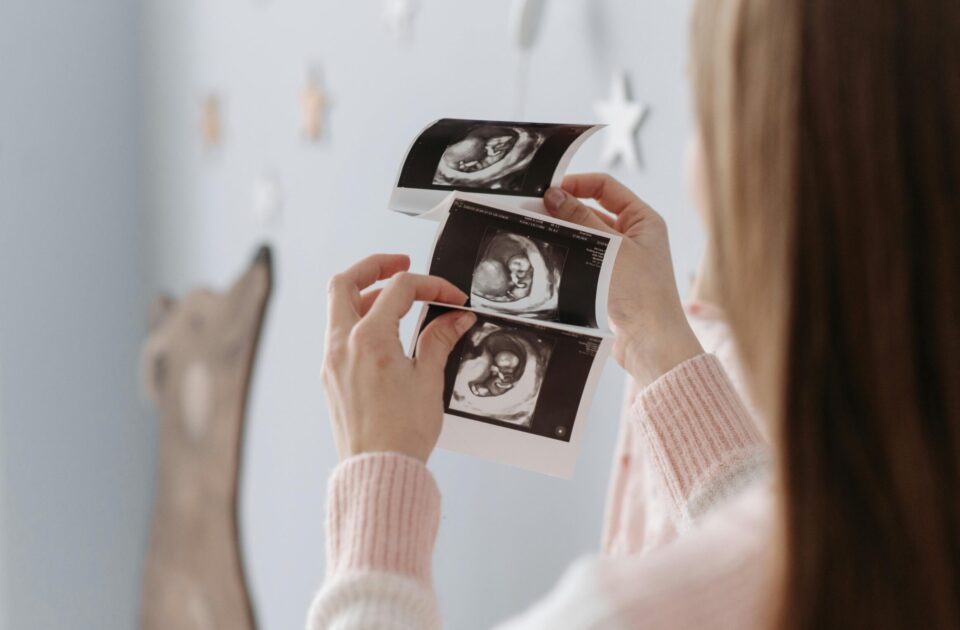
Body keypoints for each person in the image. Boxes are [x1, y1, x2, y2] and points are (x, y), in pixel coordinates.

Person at [309, 0, 960, 627]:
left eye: (705, 108)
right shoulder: (903, 530)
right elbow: (773, 533)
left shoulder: (636, 612)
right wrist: (657, 338)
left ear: (772, 163)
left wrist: (377, 476)